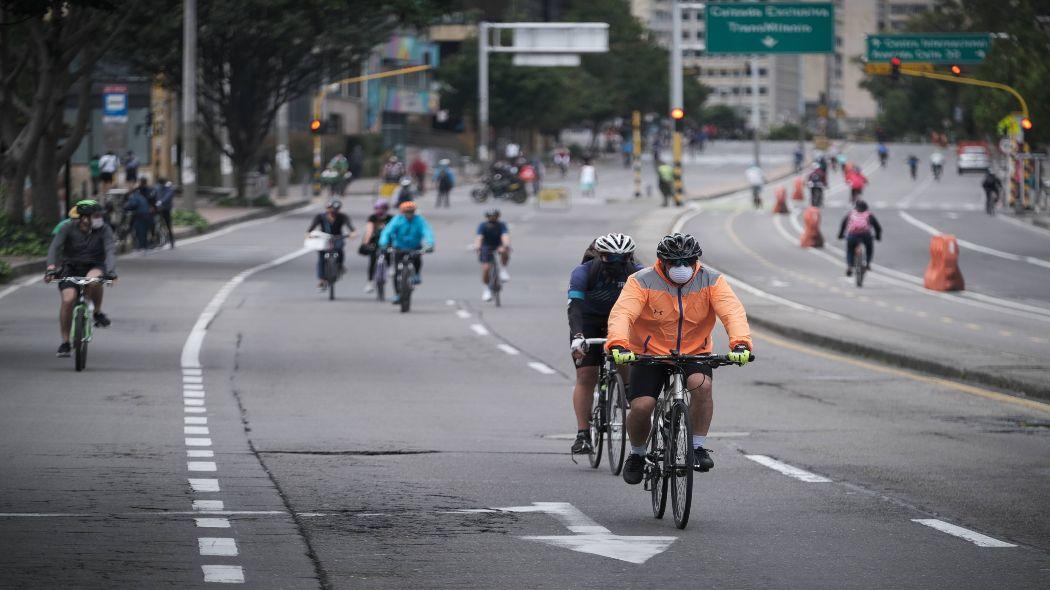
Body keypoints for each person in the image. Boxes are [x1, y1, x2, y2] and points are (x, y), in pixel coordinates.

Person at [605, 233, 753, 483]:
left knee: (702, 387)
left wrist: (740, 344)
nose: (681, 268)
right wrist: (619, 343)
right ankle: (638, 454)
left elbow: (732, 312)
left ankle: (696, 447)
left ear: (696, 260)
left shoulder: (712, 280)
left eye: (687, 261)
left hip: (695, 352)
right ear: (662, 261)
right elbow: (623, 313)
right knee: (641, 407)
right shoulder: (641, 281)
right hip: (649, 354)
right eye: (674, 262)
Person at [567, 233, 641, 455]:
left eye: (623, 258)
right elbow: (575, 307)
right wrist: (578, 336)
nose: (617, 263)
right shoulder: (584, 272)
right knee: (586, 375)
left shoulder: (637, 273)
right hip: (588, 322)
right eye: (611, 258)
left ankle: (627, 389)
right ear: (600, 255)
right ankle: (582, 435)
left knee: (624, 356)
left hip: (619, 321)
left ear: (630, 257)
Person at [44, 200, 117, 357]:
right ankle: (65, 342)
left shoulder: (104, 229)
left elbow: (110, 250)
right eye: (95, 216)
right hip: (70, 267)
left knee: (94, 279)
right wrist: (51, 268)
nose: (99, 219)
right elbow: (55, 248)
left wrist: (111, 272)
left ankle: (97, 312)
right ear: (84, 218)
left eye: (100, 215)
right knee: (68, 300)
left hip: (95, 265)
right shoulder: (67, 228)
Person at [377, 201, 435, 303]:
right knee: (396, 272)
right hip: (399, 247)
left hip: (414, 247)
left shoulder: (419, 220)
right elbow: (387, 232)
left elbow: (427, 232)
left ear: (414, 212)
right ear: (402, 212)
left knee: (417, 258)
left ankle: (416, 274)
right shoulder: (397, 220)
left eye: (411, 212)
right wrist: (383, 244)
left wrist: (429, 244)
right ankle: (398, 294)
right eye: (406, 212)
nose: (409, 214)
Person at [306, 199, 356, 290]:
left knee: (340, 251)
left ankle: (340, 266)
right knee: (321, 258)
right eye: (331, 209)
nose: (333, 211)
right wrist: (309, 234)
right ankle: (321, 280)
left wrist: (352, 233)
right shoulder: (320, 217)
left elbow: (350, 226)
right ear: (327, 208)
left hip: (338, 238)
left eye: (336, 209)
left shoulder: (342, 216)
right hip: (324, 239)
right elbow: (312, 227)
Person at [837, 200, 882, 276]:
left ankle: (849, 266)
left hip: (852, 235)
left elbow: (843, 224)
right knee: (869, 248)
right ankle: (867, 264)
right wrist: (878, 236)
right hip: (866, 235)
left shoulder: (851, 214)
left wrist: (840, 235)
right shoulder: (869, 215)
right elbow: (878, 227)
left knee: (850, 250)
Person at [474, 209, 511, 302]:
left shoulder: (501, 225)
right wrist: (478, 248)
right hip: (486, 246)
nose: (493, 218)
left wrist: (506, 245)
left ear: (498, 216)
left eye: (495, 216)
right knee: (486, 268)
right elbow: (479, 238)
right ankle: (486, 289)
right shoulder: (483, 226)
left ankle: (503, 270)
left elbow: (505, 236)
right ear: (487, 217)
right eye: (490, 216)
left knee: (504, 250)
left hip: (498, 245)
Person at [361, 200, 393, 292]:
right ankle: (370, 283)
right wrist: (365, 243)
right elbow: (369, 231)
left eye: (382, 208)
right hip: (374, 240)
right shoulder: (372, 218)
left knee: (388, 252)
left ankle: (390, 267)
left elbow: (394, 231)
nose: (380, 210)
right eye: (378, 208)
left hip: (387, 241)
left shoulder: (391, 218)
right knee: (372, 260)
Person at [123, 178, 154, 252]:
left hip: (141, 214)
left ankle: (141, 246)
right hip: (147, 214)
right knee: (145, 230)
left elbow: (132, 204)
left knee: (140, 230)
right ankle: (145, 245)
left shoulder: (134, 196)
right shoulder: (141, 196)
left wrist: (125, 207)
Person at [154, 178, 176, 249]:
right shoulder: (157, 188)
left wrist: (161, 201)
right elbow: (155, 195)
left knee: (168, 226)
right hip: (159, 209)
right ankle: (159, 241)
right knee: (157, 224)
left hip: (166, 209)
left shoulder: (168, 188)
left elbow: (168, 196)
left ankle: (172, 241)